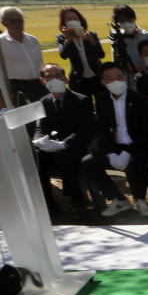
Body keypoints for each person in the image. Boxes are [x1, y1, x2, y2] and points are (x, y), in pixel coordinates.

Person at [86, 62, 148, 217]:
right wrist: (110, 153)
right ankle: (118, 199)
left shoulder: (140, 100)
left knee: (139, 160)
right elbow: (102, 130)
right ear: (103, 83)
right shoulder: (102, 100)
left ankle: (140, 199)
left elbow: (146, 132)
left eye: (119, 76)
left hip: (136, 145)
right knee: (89, 162)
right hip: (114, 145)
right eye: (110, 78)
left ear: (125, 78)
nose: (116, 81)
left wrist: (128, 152)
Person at [31, 64, 95, 219]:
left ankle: (77, 200)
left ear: (65, 79)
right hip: (54, 147)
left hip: (77, 148)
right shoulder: (44, 102)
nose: (54, 79)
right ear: (42, 81)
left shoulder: (81, 100)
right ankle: (47, 200)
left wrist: (64, 144)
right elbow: (42, 127)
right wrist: (38, 140)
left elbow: (85, 130)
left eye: (58, 75)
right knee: (37, 156)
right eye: (49, 76)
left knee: (63, 155)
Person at [54, 7, 105, 98]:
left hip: (97, 77)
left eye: (75, 19)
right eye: (68, 19)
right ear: (64, 23)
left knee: (103, 103)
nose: (72, 21)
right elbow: (63, 55)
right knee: (84, 106)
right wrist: (67, 41)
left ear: (80, 20)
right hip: (79, 79)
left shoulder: (91, 35)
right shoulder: (62, 38)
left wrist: (92, 41)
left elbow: (101, 55)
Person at [109, 5, 148, 78]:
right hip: (127, 79)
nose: (126, 24)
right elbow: (116, 61)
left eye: (128, 20)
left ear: (135, 18)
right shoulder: (118, 39)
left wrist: (142, 67)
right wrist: (128, 68)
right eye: (122, 21)